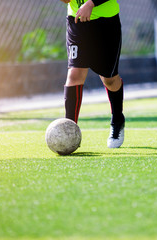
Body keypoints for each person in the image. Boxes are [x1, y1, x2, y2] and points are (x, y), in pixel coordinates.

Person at [60, 0, 125, 148]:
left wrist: (91, 3)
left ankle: (117, 120)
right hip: (77, 21)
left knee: (109, 79)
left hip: (106, 23)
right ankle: (69, 132)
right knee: (75, 74)